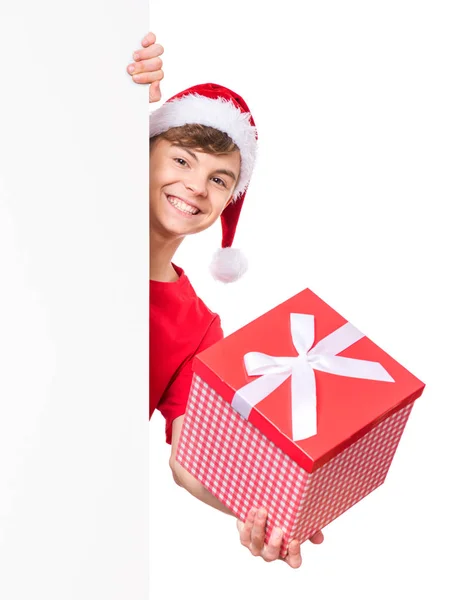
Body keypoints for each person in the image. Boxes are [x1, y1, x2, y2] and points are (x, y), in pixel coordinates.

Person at [128, 32, 324, 568]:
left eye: (219, 178)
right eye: (182, 160)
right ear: (141, 153)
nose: (196, 186)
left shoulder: (197, 327)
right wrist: (111, 93)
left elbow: (191, 458)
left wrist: (259, 509)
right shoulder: (66, 225)